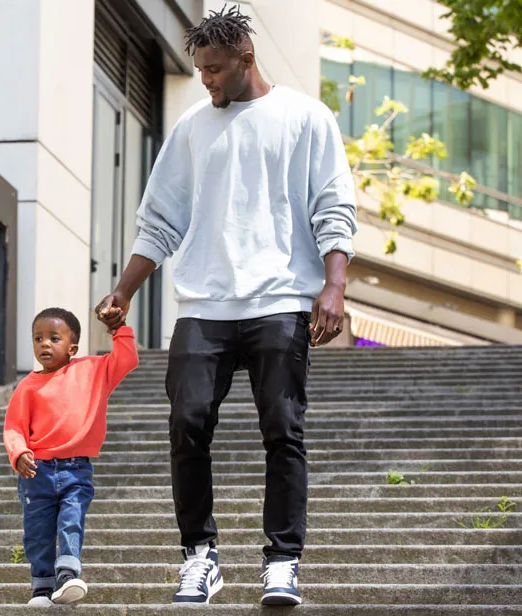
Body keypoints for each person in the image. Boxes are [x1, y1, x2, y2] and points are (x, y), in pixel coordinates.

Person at [94, 4, 358, 607]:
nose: (207, 79)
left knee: (283, 430)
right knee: (186, 422)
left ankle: (283, 562)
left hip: (281, 298)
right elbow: (160, 218)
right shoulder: (191, 128)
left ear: (246, 59)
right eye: (200, 70)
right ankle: (200, 557)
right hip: (204, 304)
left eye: (215, 69)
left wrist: (333, 284)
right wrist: (125, 289)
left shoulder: (305, 118)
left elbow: (333, 206)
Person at [3, 307, 139, 606]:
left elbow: (127, 358)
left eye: (54, 338)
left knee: (71, 520)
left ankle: (67, 575)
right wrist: (19, 453)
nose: (44, 344)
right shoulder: (27, 387)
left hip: (76, 469)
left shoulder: (92, 371)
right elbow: (14, 428)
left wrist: (119, 327)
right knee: (37, 533)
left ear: (72, 347)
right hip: (36, 472)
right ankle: (41, 588)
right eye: (38, 338)